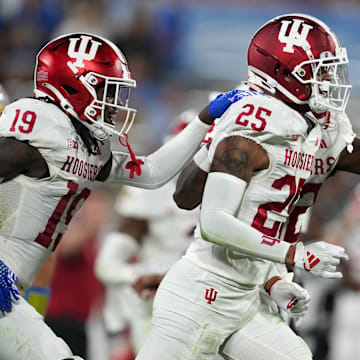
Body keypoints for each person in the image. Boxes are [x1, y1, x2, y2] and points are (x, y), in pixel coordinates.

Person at [0, 32, 239, 360]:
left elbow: (153, 173)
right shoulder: (42, 125)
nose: (116, 103)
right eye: (105, 89)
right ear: (74, 85)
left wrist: (205, 118)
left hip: (13, 289)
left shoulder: (85, 146)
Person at [135, 13, 354, 360]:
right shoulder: (256, 124)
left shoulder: (318, 128)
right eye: (319, 69)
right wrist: (295, 254)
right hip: (200, 294)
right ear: (284, 73)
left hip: (249, 295)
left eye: (330, 68)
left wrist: (273, 280)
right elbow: (213, 220)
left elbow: (248, 213)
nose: (329, 79)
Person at [95, 110, 199, 358]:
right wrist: (139, 275)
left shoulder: (234, 193)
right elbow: (107, 264)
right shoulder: (152, 193)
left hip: (207, 304)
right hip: (156, 306)